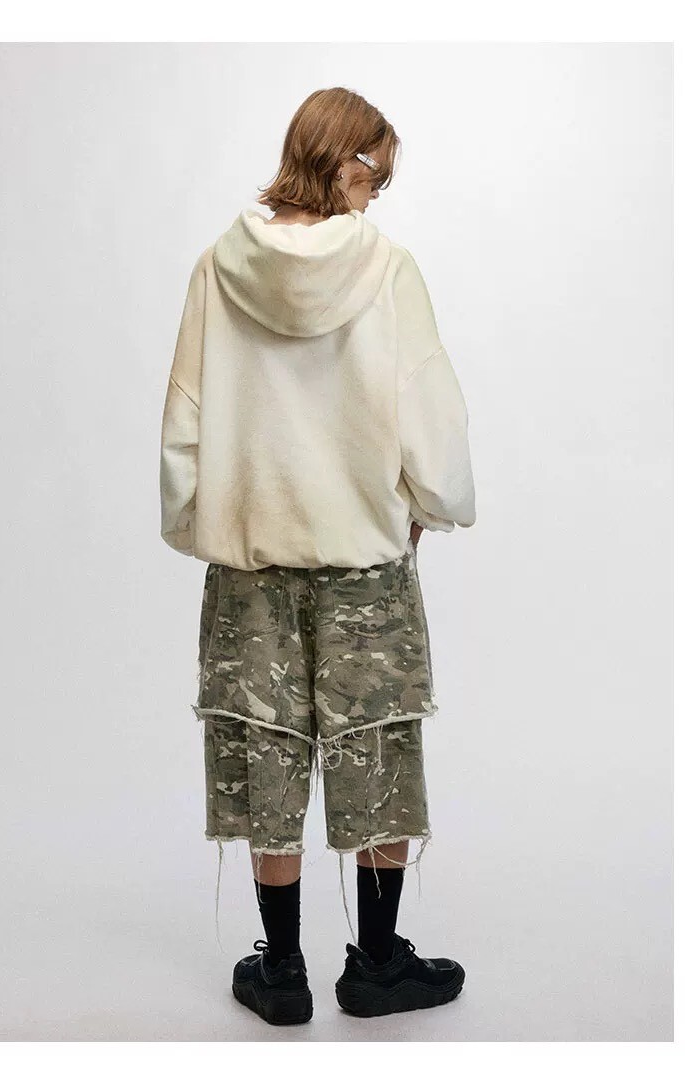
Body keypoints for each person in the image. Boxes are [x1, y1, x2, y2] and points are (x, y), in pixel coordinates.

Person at [159, 86, 476, 1025]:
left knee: (265, 748)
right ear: (341, 161)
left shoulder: (219, 268)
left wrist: (199, 522)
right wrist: (431, 506)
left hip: (250, 563)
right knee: (374, 743)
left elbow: (185, 421)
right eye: (377, 173)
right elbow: (428, 409)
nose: (379, 193)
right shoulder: (388, 270)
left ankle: (283, 971)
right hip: (363, 560)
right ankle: (376, 966)